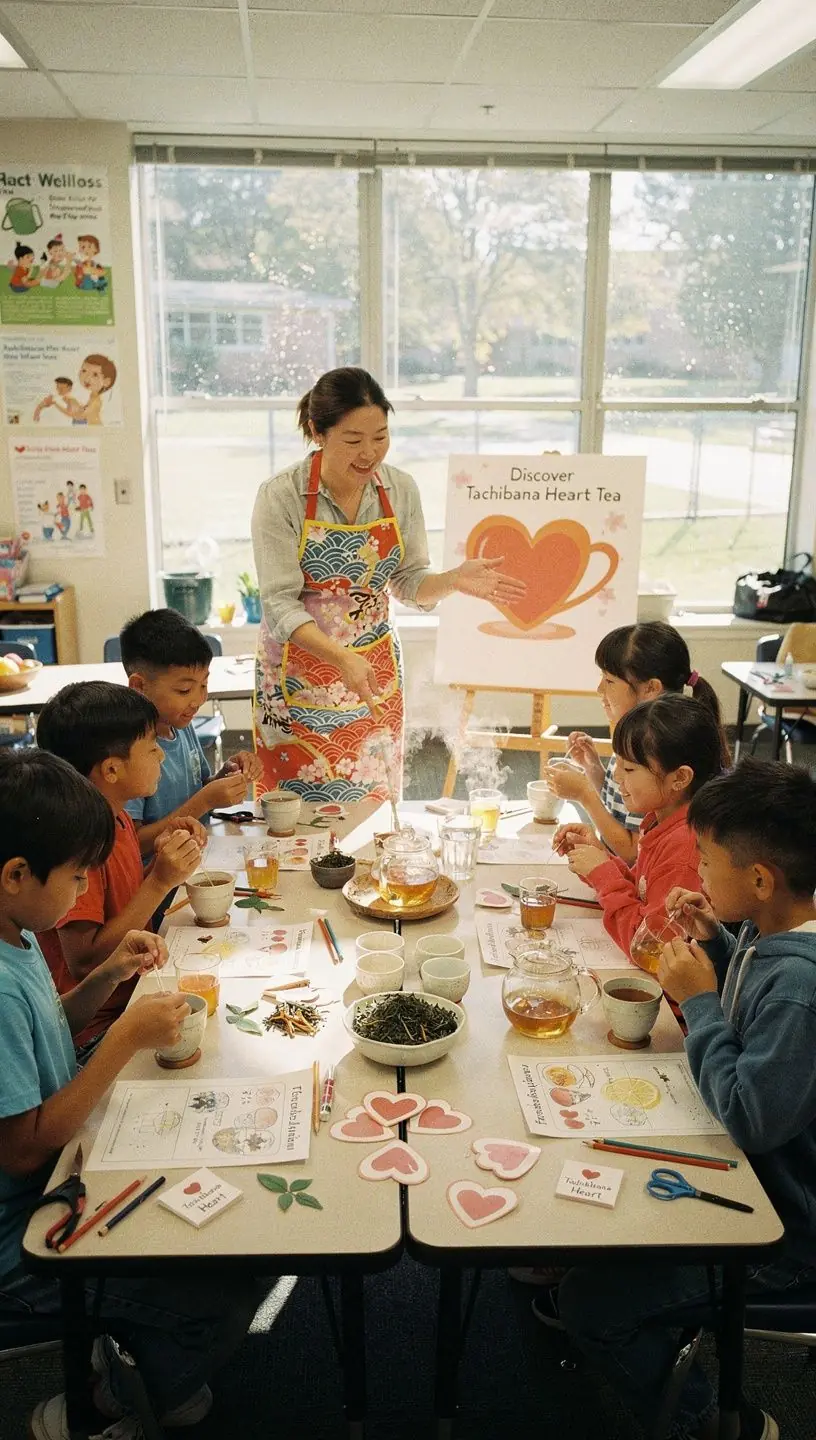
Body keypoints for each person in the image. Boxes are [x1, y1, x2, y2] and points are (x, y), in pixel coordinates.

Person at [0, 749, 260, 1440]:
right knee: (223, 1286)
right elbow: (22, 1152)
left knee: (232, 1191)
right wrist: (123, 1040)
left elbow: (50, 1029)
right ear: (16, 875)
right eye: (77, 876)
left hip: (70, 1159)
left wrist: (106, 976)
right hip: (25, 1231)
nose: (85, 887)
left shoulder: (15, 934)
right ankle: (103, 1404)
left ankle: (133, 1353)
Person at [557, 757, 816, 1440]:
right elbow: (754, 1004)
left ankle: (717, 1424)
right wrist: (719, 943)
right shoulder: (775, 929)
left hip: (780, 1231)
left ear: (760, 879)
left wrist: (699, 1003)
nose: (694, 873)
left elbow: (751, 1117)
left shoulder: (800, 989)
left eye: (704, 860)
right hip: (748, 1178)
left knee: (591, 1304)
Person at [251, 365, 525, 804]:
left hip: (373, 665)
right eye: (353, 440)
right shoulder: (281, 496)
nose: (369, 453)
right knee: (296, 813)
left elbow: (408, 580)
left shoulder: (399, 490)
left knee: (372, 803)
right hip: (297, 673)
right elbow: (280, 604)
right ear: (317, 432)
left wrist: (454, 580)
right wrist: (341, 657)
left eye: (380, 437)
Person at [36, 682, 203, 1045]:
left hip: (138, 992)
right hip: (99, 1025)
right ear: (111, 769)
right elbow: (84, 961)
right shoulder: (79, 842)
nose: (161, 757)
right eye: (152, 748)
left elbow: (124, 905)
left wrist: (162, 865)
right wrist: (159, 882)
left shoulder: (118, 816)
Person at [556, 694, 723, 960]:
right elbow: (643, 892)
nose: (616, 776)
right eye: (618, 764)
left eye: (629, 769)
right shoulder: (662, 819)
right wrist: (600, 856)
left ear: (680, 778)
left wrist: (602, 874)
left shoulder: (685, 847)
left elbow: (649, 949)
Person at [544, 622, 727, 862]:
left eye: (609, 680)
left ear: (651, 688)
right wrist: (593, 768)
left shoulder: (656, 748)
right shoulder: (637, 734)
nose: (599, 689)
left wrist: (584, 794)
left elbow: (633, 853)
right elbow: (621, 804)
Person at [120, 608, 263, 856]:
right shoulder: (128, 748)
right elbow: (133, 845)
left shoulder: (180, 725)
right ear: (139, 686)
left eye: (204, 684)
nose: (198, 700)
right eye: (184, 690)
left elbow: (199, 789)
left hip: (199, 854)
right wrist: (205, 800)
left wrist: (226, 776)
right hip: (160, 873)